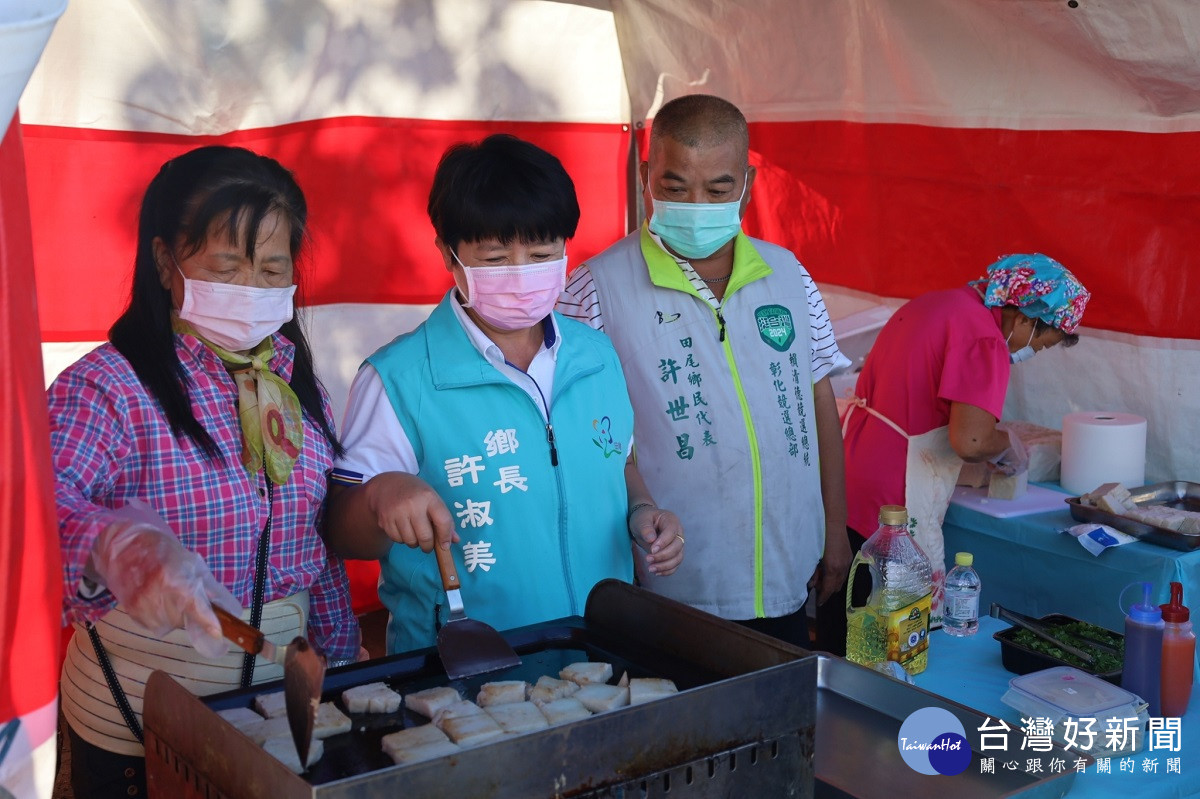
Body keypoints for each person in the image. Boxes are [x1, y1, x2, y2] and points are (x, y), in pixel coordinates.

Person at [48, 145, 361, 798]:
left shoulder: (298, 387)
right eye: (229, 266)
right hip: (132, 722)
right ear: (166, 262)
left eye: (273, 269)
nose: (253, 289)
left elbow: (317, 540)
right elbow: (41, 508)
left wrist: (341, 650)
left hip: (274, 721)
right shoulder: (110, 387)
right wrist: (117, 545)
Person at [324, 134, 683, 655]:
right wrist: (380, 498)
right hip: (461, 673)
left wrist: (643, 511)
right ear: (449, 256)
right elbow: (340, 532)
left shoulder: (596, 354)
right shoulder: (399, 378)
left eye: (541, 253)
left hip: (601, 655)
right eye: (495, 257)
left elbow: (617, 463)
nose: (520, 273)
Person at [556, 94, 851, 649]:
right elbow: (579, 434)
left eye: (717, 189)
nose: (696, 204)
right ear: (645, 176)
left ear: (748, 182)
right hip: (668, 582)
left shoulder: (789, 275)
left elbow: (819, 406)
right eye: (674, 187)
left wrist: (835, 531)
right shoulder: (595, 289)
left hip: (787, 569)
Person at [817, 253, 1090, 654]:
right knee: (883, 641)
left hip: (854, 470)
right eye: (1042, 344)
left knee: (843, 616)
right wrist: (1008, 444)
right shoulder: (984, 337)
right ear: (1025, 319)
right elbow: (972, 441)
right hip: (895, 494)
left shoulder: (940, 303)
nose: (1033, 353)